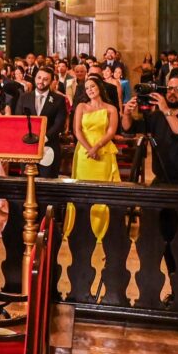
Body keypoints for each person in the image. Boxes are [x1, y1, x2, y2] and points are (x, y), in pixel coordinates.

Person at [121, 75, 178, 185]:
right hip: (161, 180)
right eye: (169, 89)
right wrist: (127, 114)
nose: (172, 93)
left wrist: (166, 110)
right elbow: (129, 129)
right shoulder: (157, 115)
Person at [70, 75, 120, 238]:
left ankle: (101, 230)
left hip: (103, 151)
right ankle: (81, 230)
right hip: (84, 152)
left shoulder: (111, 109)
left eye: (92, 86)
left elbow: (111, 132)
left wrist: (97, 147)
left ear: (100, 88)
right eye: (87, 88)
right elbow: (77, 131)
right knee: (83, 190)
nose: (90, 90)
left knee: (102, 191)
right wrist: (89, 149)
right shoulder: (81, 107)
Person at [12, 66, 68, 178]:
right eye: (39, 77)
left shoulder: (58, 99)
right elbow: (18, 120)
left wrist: (44, 138)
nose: (41, 81)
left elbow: (59, 123)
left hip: (49, 146)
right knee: (27, 183)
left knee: (47, 183)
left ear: (52, 81)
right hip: (27, 146)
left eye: (45, 79)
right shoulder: (24, 97)